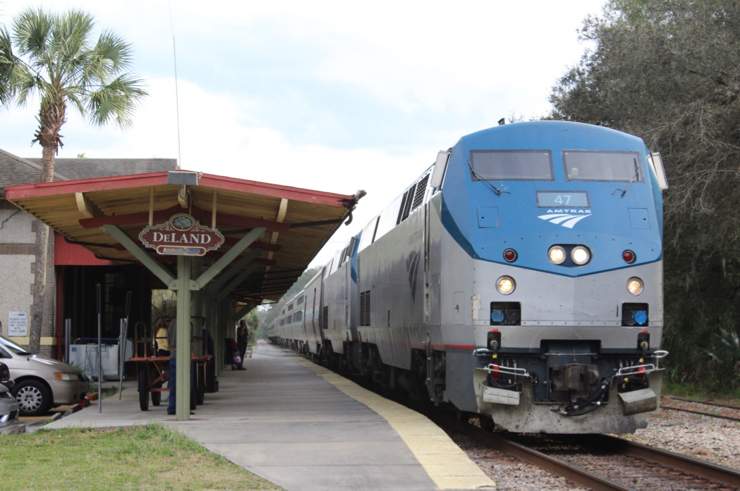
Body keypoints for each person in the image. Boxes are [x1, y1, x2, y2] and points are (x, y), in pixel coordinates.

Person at [167, 318, 195, 415]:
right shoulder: (188, 323)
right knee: (188, 384)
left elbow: (168, 340)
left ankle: (172, 407)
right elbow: (190, 340)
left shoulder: (171, 323)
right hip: (185, 356)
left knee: (174, 384)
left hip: (174, 356)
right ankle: (184, 407)